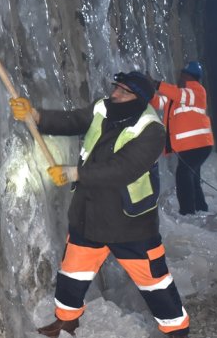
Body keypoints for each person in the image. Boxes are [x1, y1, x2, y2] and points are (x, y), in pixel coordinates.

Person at [10, 71, 190, 337]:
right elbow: (72, 121)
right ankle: (66, 320)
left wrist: (75, 174)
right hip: (89, 212)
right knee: (72, 273)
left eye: (123, 92)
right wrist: (36, 116)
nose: (115, 94)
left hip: (130, 223)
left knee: (155, 282)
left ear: (139, 99)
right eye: (116, 88)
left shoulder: (152, 130)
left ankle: (177, 330)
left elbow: (123, 169)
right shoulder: (102, 108)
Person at [150, 61, 214, 215]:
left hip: (197, 145)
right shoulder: (180, 96)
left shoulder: (197, 91)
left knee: (183, 175)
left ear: (187, 76)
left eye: (181, 74)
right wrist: (147, 92)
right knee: (192, 178)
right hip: (192, 146)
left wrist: (156, 84)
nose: (178, 77)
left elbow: (178, 94)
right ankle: (201, 209)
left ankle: (187, 212)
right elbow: (160, 102)